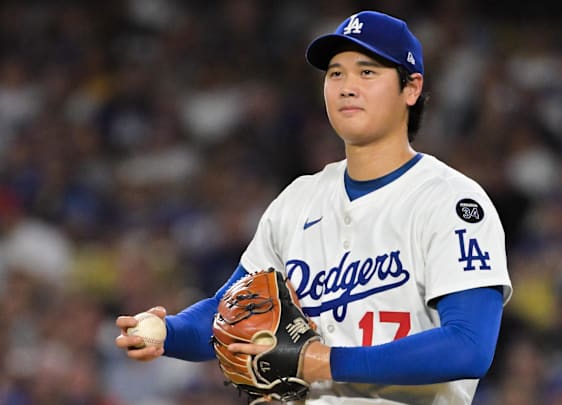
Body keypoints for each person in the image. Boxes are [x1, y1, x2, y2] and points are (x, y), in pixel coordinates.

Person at [116, 10, 512, 404]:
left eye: (367, 72)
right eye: (335, 73)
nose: (346, 86)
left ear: (411, 88)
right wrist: (169, 332)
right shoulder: (298, 200)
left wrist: (324, 362)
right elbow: (227, 314)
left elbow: (469, 346)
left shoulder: (451, 202)